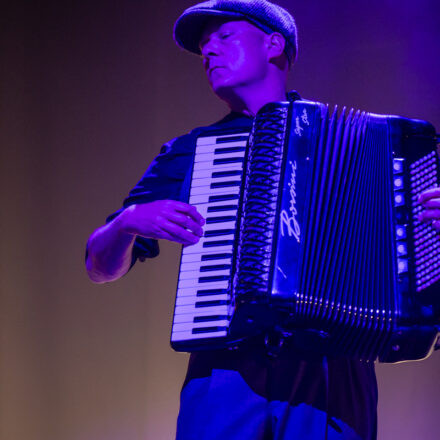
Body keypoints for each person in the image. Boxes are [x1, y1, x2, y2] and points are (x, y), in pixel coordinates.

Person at [85, 1, 440, 439]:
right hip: (228, 366)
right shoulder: (194, 151)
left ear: (274, 44)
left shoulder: (370, 146)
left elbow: (409, 257)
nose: (208, 52)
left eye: (224, 36)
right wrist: (127, 222)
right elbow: (98, 267)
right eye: (203, 46)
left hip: (332, 369)